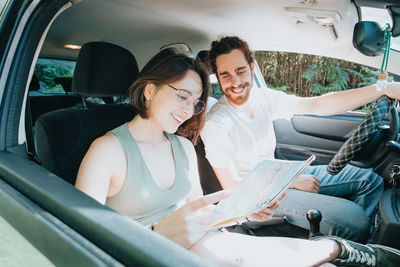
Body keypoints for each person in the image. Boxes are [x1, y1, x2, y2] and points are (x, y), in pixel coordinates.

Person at [75, 48, 400, 266]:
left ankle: (338, 251)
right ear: (149, 90)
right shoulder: (107, 152)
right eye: (182, 96)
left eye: (197, 101)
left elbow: (198, 212)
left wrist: (245, 212)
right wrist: (157, 234)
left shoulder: (183, 147)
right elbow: (76, 244)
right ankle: (336, 248)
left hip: (201, 247)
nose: (189, 109)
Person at [200, 36, 400, 242]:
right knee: (354, 220)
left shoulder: (261, 98)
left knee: (371, 180)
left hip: (280, 173)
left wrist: (382, 89)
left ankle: (362, 244)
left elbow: (317, 104)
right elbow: (234, 188)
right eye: (226, 75)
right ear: (218, 78)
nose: (235, 82)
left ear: (252, 67)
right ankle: (356, 244)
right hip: (259, 198)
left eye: (240, 71)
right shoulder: (217, 124)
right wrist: (290, 182)